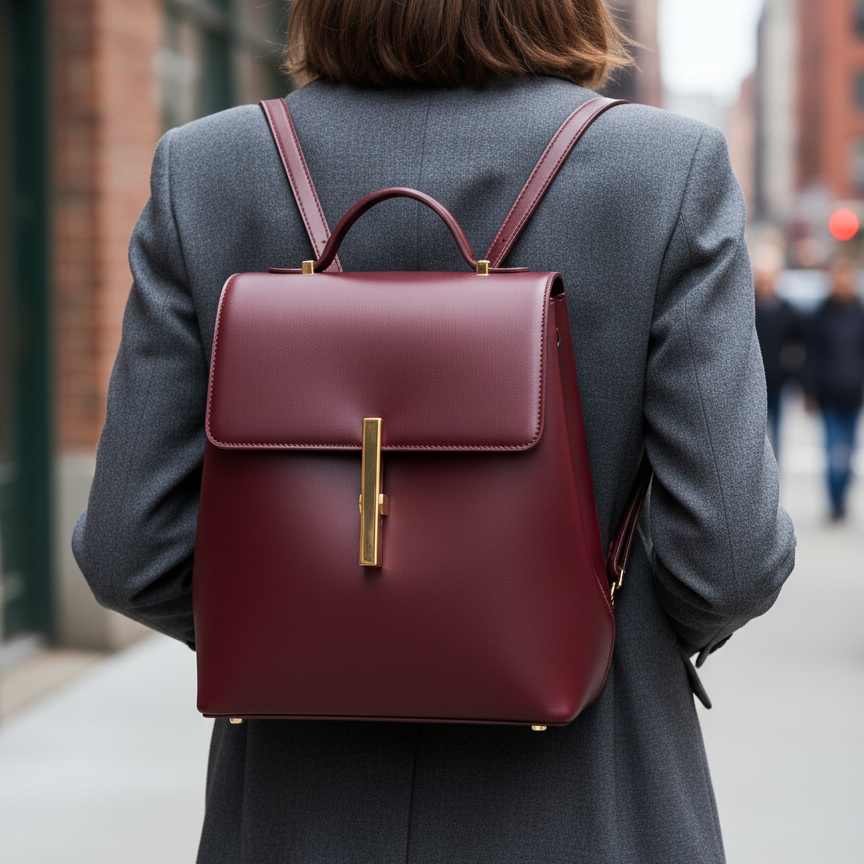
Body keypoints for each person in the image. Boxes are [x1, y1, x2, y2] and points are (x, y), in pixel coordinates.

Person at [72, 2, 796, 861]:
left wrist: (312, 626)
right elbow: (731, 559)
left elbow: (128, 550)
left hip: (295, 814)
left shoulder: (205, 170)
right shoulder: (666, 171)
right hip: (591, 800)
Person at [805, 257, 864, 520]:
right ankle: (834, 500)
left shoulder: (860, 313)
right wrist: (808, 391)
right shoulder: (820, 314)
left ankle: (843, 497)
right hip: (828, 391)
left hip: (853, 391)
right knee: (831, 450)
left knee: (849, 451)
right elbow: (811, 355)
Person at [753, 250, 805, 458]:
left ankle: (774, 474)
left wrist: (791, 367)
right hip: (753, 383)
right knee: (754, 434)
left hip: (777, 380)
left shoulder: (787, 310)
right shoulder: (749, 308)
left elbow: (800, 342)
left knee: (777, 434)